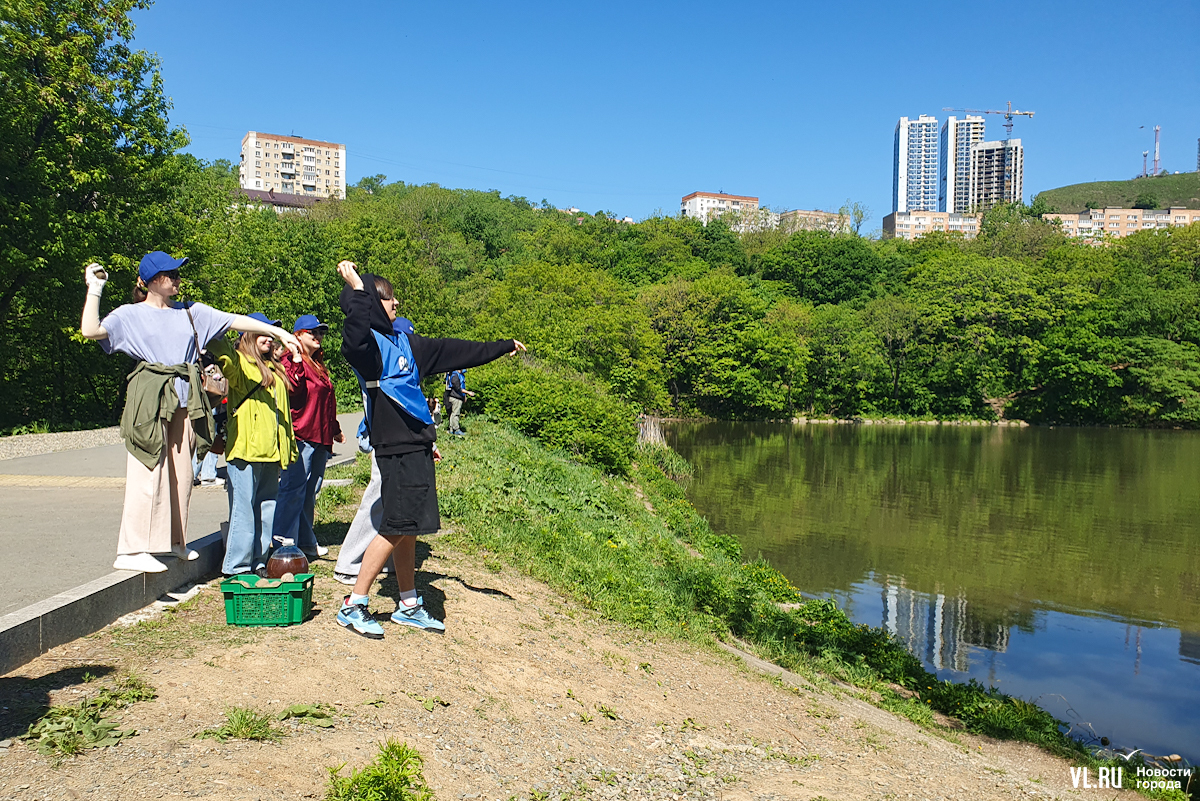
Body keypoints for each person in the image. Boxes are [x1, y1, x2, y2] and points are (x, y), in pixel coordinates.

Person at [335, 260, 525, 638]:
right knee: (395, 525)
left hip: (418, 443)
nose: (396, 303)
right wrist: (357, 287)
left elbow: (454, 350)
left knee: (409, 528)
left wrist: (502, 347)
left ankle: (408, 604)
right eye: (388, 298)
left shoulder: (407, 343)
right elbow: (353, 337)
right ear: (371, 303)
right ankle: (354, 603)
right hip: (393, 446)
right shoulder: (368, 347)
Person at [81, 253, 299, 573]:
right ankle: (132, 548)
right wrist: (95, 288)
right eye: (169, 274)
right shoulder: (130, 314)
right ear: (150, 281)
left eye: (176, 273)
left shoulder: (190, 312)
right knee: (148, 469)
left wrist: (280, 334)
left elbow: (235, 320)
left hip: (185, 398)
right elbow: (91, 330)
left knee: (181, 473)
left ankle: (173, 541)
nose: (176, 279)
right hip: (151, 395)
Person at [208, 313, 300, 576]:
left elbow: (282, 414)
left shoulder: (275, 368)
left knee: (266, 509)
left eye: (271, 334)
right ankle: (237, 566)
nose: (268, 338)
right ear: (247, 335)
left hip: (272, 452)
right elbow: (219, 346)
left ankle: (259, 562)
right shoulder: (239, 363)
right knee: (244, 511)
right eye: (262, 333)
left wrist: (288, 448)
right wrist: (217, 322)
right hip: (245, 450)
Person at [273, 315, 344, 561]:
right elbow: (292, 388)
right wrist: (295, 357)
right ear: (298, 335)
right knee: (293, 489)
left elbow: (326, 399)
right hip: (300, 433)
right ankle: (282, 544)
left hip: (320, 435)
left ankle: (304, 540)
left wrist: (334, 428)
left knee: (310, 491)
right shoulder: (289, 360)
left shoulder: (317, 363)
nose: (318, 336)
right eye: (312, 331)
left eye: (321, 332)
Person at [442, 368, 473, 436]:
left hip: (458, 397)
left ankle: (451, 429)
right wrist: (468, 392)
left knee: (453, 413)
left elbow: (462, 386)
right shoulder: (455, 376)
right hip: (455, 398)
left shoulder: (459, 375)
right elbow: (458, 388)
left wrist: (464, 396)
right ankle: (456, 429)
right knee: (455, 414)